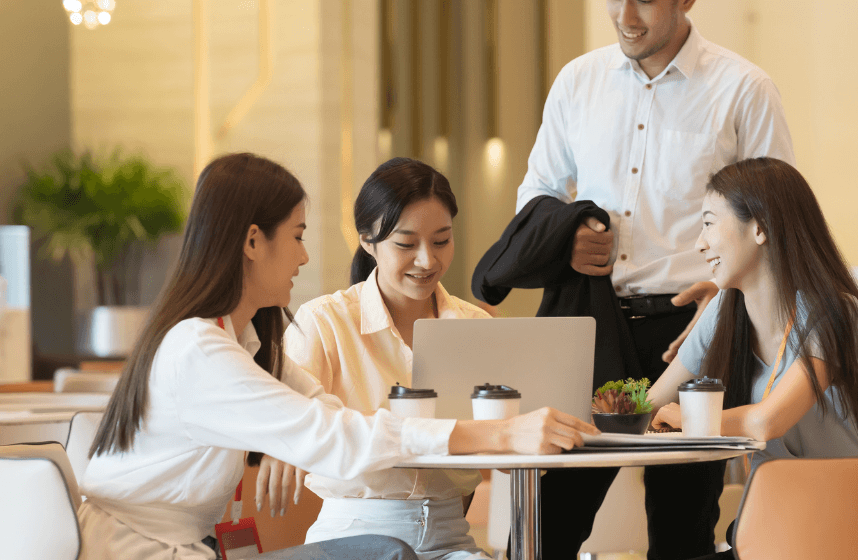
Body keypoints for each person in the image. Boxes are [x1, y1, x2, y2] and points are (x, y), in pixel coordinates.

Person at [78, 153, 598, 560]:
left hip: (189, 547)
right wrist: (497, 432)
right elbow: (335, 439)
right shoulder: (198, 350)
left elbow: (329, 415)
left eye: (441, 241)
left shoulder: (250, 344)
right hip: (136, 551)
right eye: (298, 236)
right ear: (254, 242)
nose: (305, 256)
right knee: (384, 552)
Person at [512, 0, 795, 557]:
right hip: (592, 325)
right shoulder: (578, 81)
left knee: (683, 523)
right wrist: (566, 238)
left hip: (696, 329)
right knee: (554, 516)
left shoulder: (743, 87)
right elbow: (536, 195)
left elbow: (780, 217)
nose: (624, 14)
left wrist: (726, 292)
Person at [648, 157, 858, 559]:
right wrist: (587, 419)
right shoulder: (725, 310)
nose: (700, 242)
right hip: (771, 528)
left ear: (760, 227)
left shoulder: (834, 311)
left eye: (710, 222)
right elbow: (652, 402)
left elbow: (768, 420)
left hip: (838, 533)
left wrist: (684, 419)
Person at [284, 157, 495, 559]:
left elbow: (506, 444)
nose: (427, 261)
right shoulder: (324, 322)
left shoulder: (475, 324)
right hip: (351, 537)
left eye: (441, 240)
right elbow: (299, 431)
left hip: (451, 539)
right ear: (367, 240)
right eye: (405, 244)